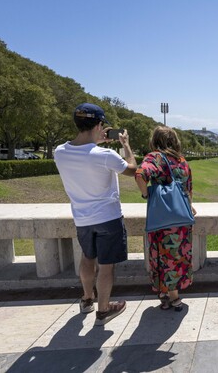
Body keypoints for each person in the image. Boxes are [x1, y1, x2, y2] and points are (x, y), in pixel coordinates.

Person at [54, 103, 138, 326]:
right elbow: (132, 169)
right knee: (107, 266)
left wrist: (95, 142)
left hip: (82, 218)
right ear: (100, 124)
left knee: (87, 258)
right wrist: (126, 146)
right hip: (108, 218)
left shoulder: (59, 152)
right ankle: (103, 311)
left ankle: (86, 299)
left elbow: (83, 152)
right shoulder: (106, 155)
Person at [135, 126, 197, 311]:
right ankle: (173, 295)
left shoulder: (155, 157)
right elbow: (189, 189)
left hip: (162, 218)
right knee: (178, 256)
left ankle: (170, 296)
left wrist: (147, 195)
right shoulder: (182, 161)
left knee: (161, 255)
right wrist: (189, 206)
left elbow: (140, 175)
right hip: (181, 217)